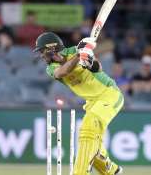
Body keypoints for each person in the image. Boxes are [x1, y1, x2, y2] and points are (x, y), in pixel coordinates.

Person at [34, 32, 123, 175]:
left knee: (87, 130)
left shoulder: (77, 50)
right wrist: (78, 56)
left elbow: (98, 68)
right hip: (92, 103)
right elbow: (62, 72)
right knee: (93, 145)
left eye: (42, 52)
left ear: (52, 49)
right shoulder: (51, 67)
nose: (41, 56)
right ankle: (111, 170)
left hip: (109, 94)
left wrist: (88, 60)